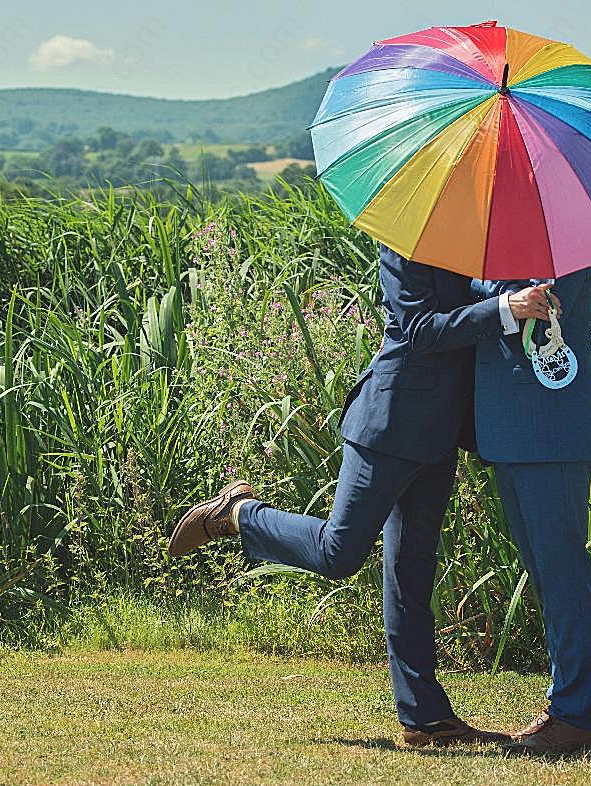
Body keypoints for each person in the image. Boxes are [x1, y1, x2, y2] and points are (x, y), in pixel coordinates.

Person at [167, 242, 557, 747]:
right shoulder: (404, 244)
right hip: (389, 425)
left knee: (409, 577)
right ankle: (239, 514)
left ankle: (425, 720)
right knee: (338, 552)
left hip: (439, 435)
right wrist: (507, 308)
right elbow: (419, 330)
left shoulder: (473, 244)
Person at [471, 267, 591, 757]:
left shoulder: (561, 242)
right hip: (510, 433)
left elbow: (541, 305)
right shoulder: (501, 243)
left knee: (562, 575)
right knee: (545, 574)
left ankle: (573, 714)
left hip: (549, 432)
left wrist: (479, 289)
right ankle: (565, 705)